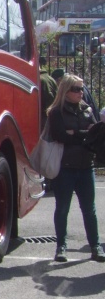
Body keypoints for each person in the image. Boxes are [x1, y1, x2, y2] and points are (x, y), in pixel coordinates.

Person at [46, 73, 105, 262]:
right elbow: (60, 136)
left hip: (86, 166)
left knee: (89, 209)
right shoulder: (56, 112)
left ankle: (95, 246)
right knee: (62, 208)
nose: (81, 92)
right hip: (65, 167)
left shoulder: (87, 110)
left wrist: (76, 134)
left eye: (82, 88)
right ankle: (61, 246)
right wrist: (83, 134)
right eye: (77, 89)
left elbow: (96, 134)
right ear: (66, 90)